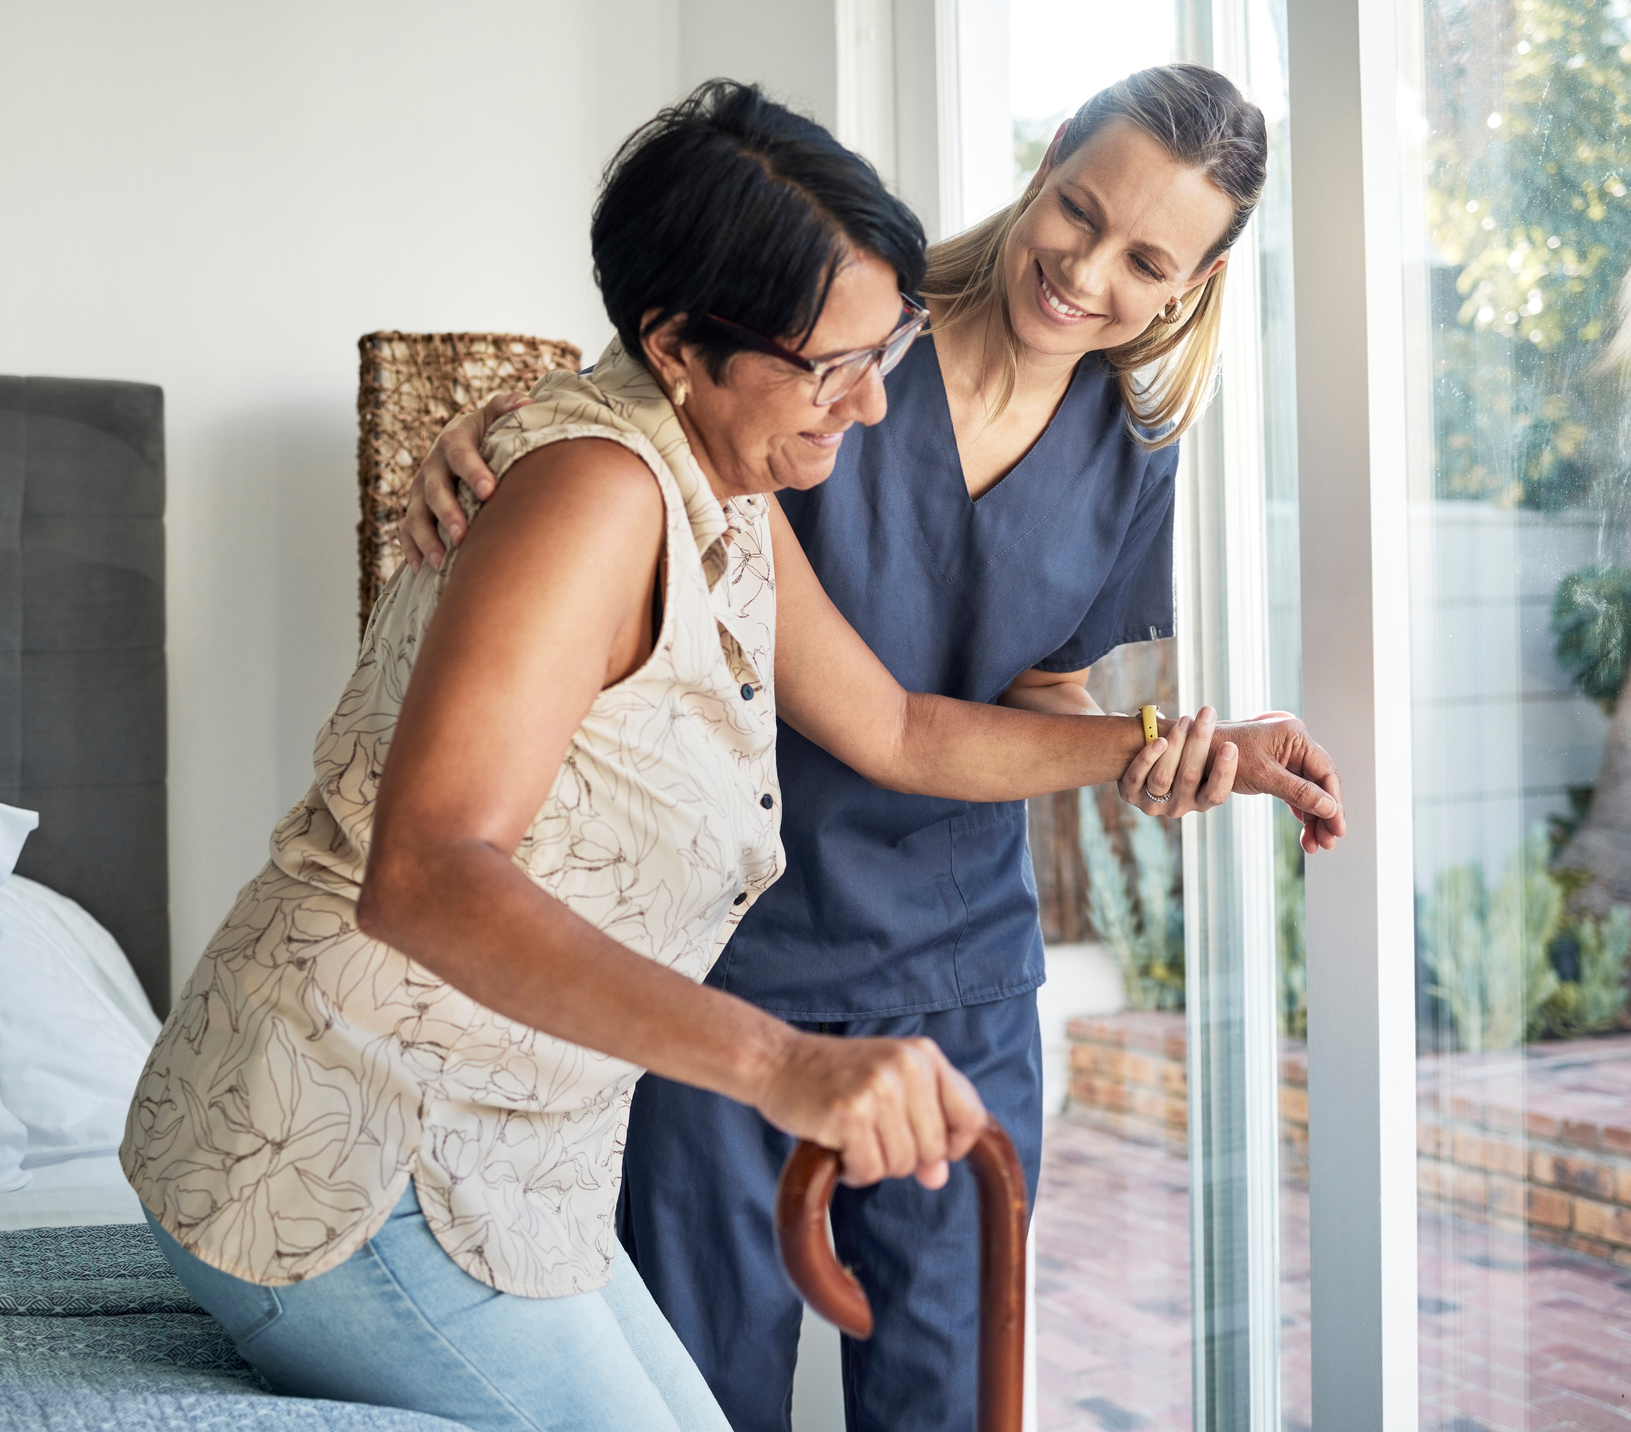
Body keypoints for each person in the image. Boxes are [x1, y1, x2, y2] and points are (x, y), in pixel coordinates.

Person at [122, 81, 1256, 1432]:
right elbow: (425, 873)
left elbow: (894, 726)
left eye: (880, 353)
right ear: (677, 349)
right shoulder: (602, 489)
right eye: (834, 368)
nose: (872, 405)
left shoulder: (733, 489)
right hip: (351, 1139)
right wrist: (782, 1063)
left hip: (526, 1142)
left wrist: (1178, 748)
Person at [402, 66, 1345, 1432]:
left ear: (1190, 288)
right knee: (701, 1397)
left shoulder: (1135, 455)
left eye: (1147, 262)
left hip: (957, 974)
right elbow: (653, 404)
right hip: (726, 958)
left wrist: (1147, 754)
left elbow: (1040, 699)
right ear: (1046, 164)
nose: (1086, 272)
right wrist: (492, 429)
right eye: (1079, 213)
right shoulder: (846, 346)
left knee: (950, 1397)